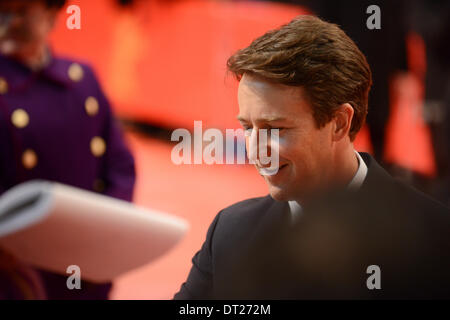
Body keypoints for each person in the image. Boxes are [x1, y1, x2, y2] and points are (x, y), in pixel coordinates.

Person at [174, 15, 450, 299]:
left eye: (275, 129)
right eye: (247, 127)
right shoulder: (230, 232)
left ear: (339, 123)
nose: (255, 150)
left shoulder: (435, 241)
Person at [0, 0, 136, 299]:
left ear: (51, 14)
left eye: (20, 11)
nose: (7, 21)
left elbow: (120, 164)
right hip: (16, 266)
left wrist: (106, 226)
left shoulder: (81, 79)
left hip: (83, 261)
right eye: (1, 11)